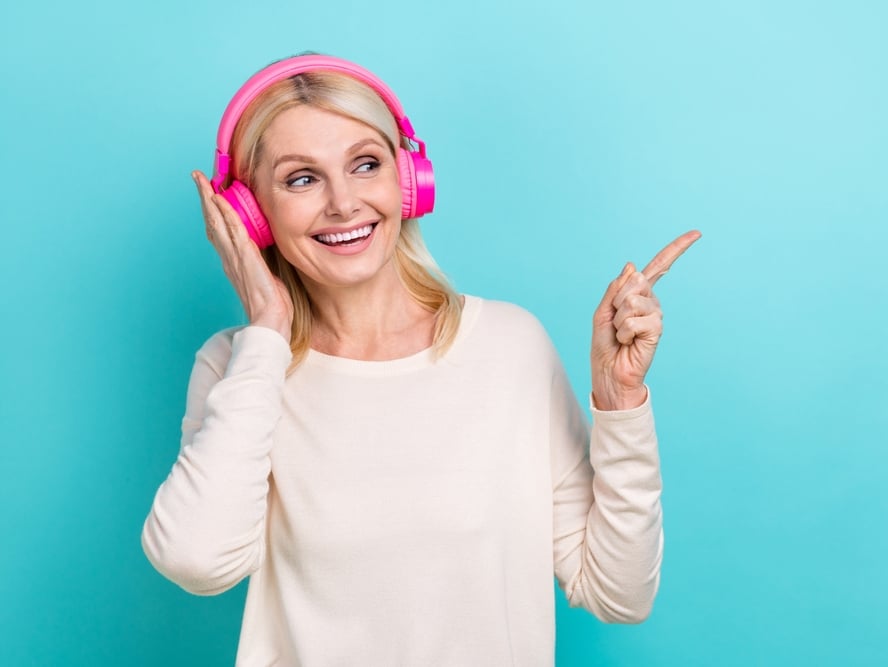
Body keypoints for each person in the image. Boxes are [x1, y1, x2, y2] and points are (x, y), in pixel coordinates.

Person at [141, 53, 700, 666]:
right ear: (252, 215)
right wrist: (268, 334)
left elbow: (618, 593)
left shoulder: (510, 347)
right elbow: (197, 561)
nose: (343, 202)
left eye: (366, 164)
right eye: (301, 178)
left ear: (408, 179)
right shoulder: (240, 366)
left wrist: (619, 407)